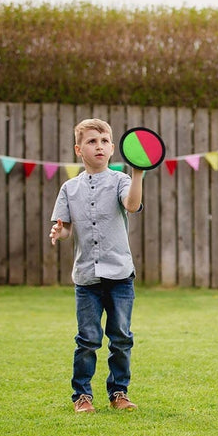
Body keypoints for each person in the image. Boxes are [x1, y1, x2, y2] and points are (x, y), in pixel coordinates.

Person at [49, 118, 144, 413]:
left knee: (121, 338)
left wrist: (138, 174)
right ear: (79, 149)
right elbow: (64, 227)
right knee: (87, 339)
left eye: (104, 142)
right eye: (92, 141)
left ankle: (119, 392)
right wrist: (59, 232)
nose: (99, 146)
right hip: (86, 278)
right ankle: (82, 396)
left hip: (120, 276)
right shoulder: (69, 188)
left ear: (113, 148)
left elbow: (131, 205)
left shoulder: (121, 181)